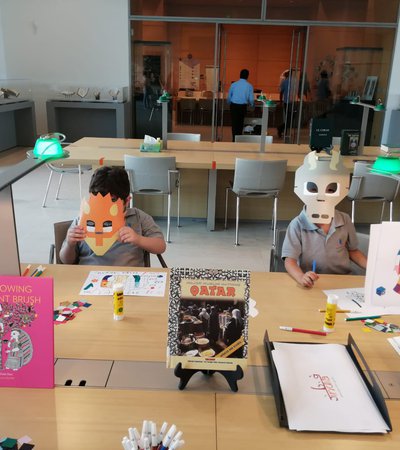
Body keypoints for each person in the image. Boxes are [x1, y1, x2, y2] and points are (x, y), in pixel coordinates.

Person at [282, 150, 367, 288]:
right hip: (314, 281)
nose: (322, 196)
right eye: (314, 189)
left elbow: (353, 251)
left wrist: (373, 268)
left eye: (330, 190)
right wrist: (301, 277)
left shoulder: (344, 220)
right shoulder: (297, 225)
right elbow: (289, 260)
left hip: (342, 280)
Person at [59, 166, 166, 266]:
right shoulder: (82, 220)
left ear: (127, 201)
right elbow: (66, 261)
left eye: (113, 200)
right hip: (89, 276)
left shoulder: (138, 217)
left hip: (128, 278)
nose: (105, 206)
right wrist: (70, 244)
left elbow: (160, 246)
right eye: (98, 200)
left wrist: (138, 239)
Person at [227, 69, 254, 142]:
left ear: (240, 75)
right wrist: (252, 105)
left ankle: (234, 139)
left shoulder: (233, 84)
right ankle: (239, 139)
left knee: (234, 123)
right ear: (247, 76)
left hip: (234, 106)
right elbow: (251, 99)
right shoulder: (249, 86)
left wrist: (229, 103)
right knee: (240, 123)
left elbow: (229, 97)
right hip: (242, 107)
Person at [277, 70, 295, 139]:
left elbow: (281, 92)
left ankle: (281, 128)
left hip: (286, 102)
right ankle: (281, 128)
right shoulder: (294, 81)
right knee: (290, 118)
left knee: (288, 118)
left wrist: (281, 101)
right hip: (291, 102)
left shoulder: (284, 81)